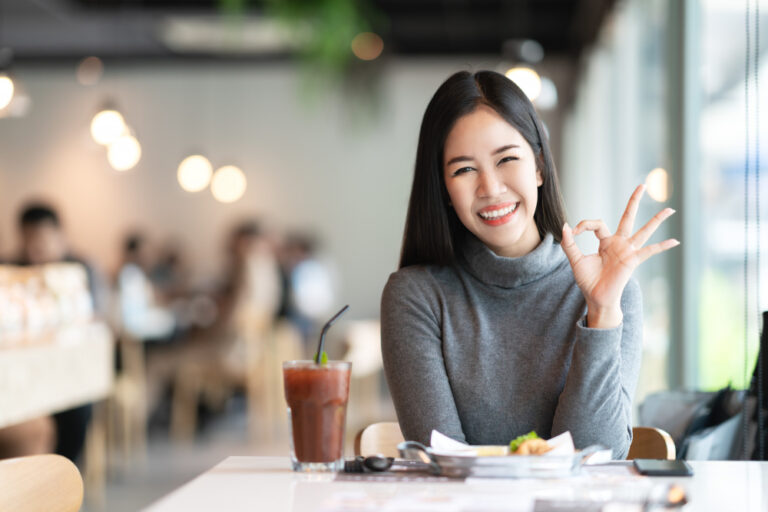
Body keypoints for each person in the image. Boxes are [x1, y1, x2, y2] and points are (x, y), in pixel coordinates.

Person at [380, 70, 679, 459]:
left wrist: (601, 312)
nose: (491, 188)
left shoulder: (613, 292)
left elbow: (595, 456)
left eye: (506, 159)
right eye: (464, 169)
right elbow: (445, 465)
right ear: (444, 190)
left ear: (539, 166)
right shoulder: (416, 296)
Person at [10, 201, 108, 462]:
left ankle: (64, 472)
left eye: (41, 238)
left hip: (68, 370)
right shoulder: (11, 270)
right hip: (21, 373)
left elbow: (97, 318)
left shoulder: (79, 270)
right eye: (28, 239)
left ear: (59, 236)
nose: (34, 248)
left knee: (78, 408)